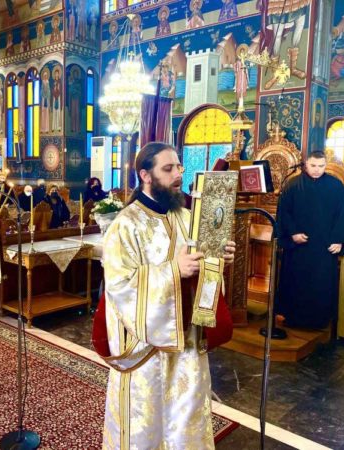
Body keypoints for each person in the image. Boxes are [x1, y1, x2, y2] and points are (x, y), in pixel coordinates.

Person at [102, 142, 235, 449]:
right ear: (145, 175)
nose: (178, 174)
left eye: (179, 167)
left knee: (185, 419)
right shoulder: (125, 225)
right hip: (147, 347)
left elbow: (202, 270)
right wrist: (173, 271)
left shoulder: (187, 217)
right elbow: (119, 286)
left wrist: (219, 259)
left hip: (188, 343)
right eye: (168, 168)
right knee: (147, 421)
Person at [275, 150, 344, 330]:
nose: (317, 169)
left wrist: (339, 240)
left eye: (321, 166)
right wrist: (293, 233)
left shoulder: (335, 185)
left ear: (325, 165)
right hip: (299, 247)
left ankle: (319, 321)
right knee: (296, 283)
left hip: (323, 247)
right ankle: (293, 318)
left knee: (321, 284)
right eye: (313, 166)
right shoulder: (293, 184)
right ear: (305, 164)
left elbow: (343, 214)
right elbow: (284, 212)